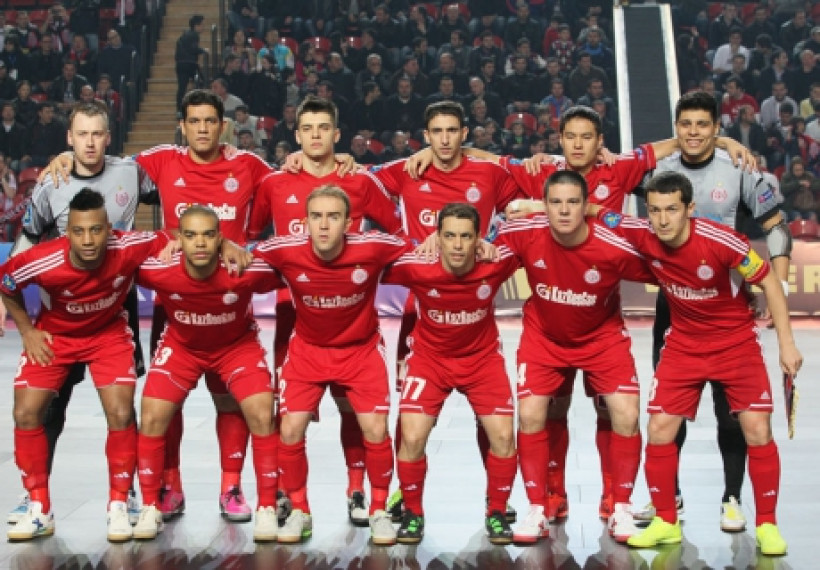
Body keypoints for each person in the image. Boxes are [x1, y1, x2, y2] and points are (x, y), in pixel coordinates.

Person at [594, 171, 801, 556]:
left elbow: (769, 282)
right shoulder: (642, 233)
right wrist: (532, 206)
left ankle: (767, 525)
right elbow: (597, 212)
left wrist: (786, 346)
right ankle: (666, 522)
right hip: (683, 346)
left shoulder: (721, 241)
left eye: (672, 209)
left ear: (689, 208)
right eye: (655, 210)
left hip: (736, 344)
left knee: (757, 430)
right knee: (659, 428)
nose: (663, 219)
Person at [637, 91, 793, 532]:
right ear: (675, 128)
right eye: (685, 125)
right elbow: (606, 178)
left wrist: (776, 288)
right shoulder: (657, 169)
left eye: (703, 125)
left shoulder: (739, 168)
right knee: (668, 410)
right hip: (675, 304)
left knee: (733, 413)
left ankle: (732, 498)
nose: (693, 133)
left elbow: (776, 227)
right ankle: (671, 498)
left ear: (717, 128)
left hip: (727, 304)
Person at [249, 95, 401, 526]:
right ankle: (288, 496)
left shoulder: (359, 180)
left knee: (355, 409)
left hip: (351, 316)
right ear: (296, 135)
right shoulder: (275, 183)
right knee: (289, 415)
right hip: (293, 315)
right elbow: (251, 236)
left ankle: (358, 491)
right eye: (307, 129)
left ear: (336, 134)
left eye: (323, 129)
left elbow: (396, 231)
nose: (315, 136)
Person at [4, 101, 155, 526]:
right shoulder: (51, 182)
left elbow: (177, 189)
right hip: (63, 310)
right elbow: (29, 236)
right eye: (82, 134)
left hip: (115, 305)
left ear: (108, 137)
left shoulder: (131, 172)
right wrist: (9, 302)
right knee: (50, 407)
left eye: (97, 134)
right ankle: (35, 499)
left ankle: (127, 492)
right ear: (69, 138)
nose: (89, 143)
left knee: (122, 406)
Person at [493, 171, 654, 545]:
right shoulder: (524, 233)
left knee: (627, 414)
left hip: (602, 338)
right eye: (555, 203)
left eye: (572, 203)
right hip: (544, 339)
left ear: (586, 207)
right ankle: (538, 507)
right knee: (531, 415)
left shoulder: (613, 246)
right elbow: (479, 251)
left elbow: (664, 265)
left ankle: (621, 507)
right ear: (544, 206)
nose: (564, 211)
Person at [0, 189, 171, 542]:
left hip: (109, 335)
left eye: (96, 230)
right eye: (79, 231)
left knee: (121, 412)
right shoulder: (43, 259)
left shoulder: (129, 245)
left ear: (109, 229)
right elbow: (6, 283)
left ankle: (120, 504)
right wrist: (28, 331)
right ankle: (39, 508)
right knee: (26, 413)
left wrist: (210, 244)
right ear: (68, 233)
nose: (88, 240)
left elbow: (173, 236)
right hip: (56, 338)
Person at [253, 185, 412, 545]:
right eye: (317, 216)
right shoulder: (284, 249)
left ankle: (378, 510)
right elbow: (243, 253)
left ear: (349, 222)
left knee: (375, 429)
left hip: (361, 351)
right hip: (307, 352)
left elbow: (417, 247)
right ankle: (300, 511)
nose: (324, 225)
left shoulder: (374, 246)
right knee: (290, 429)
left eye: (333, 217)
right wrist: (228, 248)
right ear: (305, 221)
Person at [132, 206, 281, 542]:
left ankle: (262, 505)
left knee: (261, 412)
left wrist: (245, 248)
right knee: (152, 414)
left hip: (236, 347)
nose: (199, 243)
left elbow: (289, 262)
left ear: (220, 238)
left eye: (208, 235)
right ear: (178, 239)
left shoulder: (244, 268)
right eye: (190, 235)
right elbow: (117, 253)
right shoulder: (158, 269)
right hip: (182, 348)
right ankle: (150, 505)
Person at [381, 203, 519, 545]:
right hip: (430, 361)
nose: (457, 245)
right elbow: (369, 258)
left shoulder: (496, 262)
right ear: (438, 237)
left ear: (479, 238)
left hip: (482, 361)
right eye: (450, 236)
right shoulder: (416, 266)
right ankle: (413, 513)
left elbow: (535, 236)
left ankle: (497, 511)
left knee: (503, 437)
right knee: (412, 437)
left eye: (466, 237)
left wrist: (524, 209)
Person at [175, 15, 207, 109]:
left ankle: (179, 109)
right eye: (202, 25)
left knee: (182, 87)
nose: (203, 27)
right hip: (189, 64)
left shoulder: (184, 35)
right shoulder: (194, 35)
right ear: (196, 26)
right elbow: (193, 49)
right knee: (201, 81)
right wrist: (203, 50)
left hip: (180, 64)